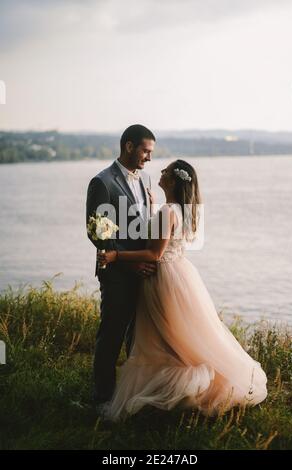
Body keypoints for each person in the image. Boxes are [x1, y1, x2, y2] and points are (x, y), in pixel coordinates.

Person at [98, 159, 268, 422]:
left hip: (163, 279)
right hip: (181, 274)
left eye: (166, 171)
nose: (161, 172)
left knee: (165, 340)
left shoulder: (168, 211)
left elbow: (154, 253)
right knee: (180, 337)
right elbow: (166, 235)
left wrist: (115, 256)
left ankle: (180, 393)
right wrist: (154, 208)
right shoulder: (181, 210)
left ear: (174, 181)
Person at [86, 124, 156, 415]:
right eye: (145, 151)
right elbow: (98, 233)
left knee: (137, 336)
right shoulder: (102, 182)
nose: (149, 158)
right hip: (116, 274)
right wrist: (130, 260)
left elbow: (144, 225)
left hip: (144, 271)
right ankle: (102, 398)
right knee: (112, 333)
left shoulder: (146, 178)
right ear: (128, 146)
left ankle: (131, 395)